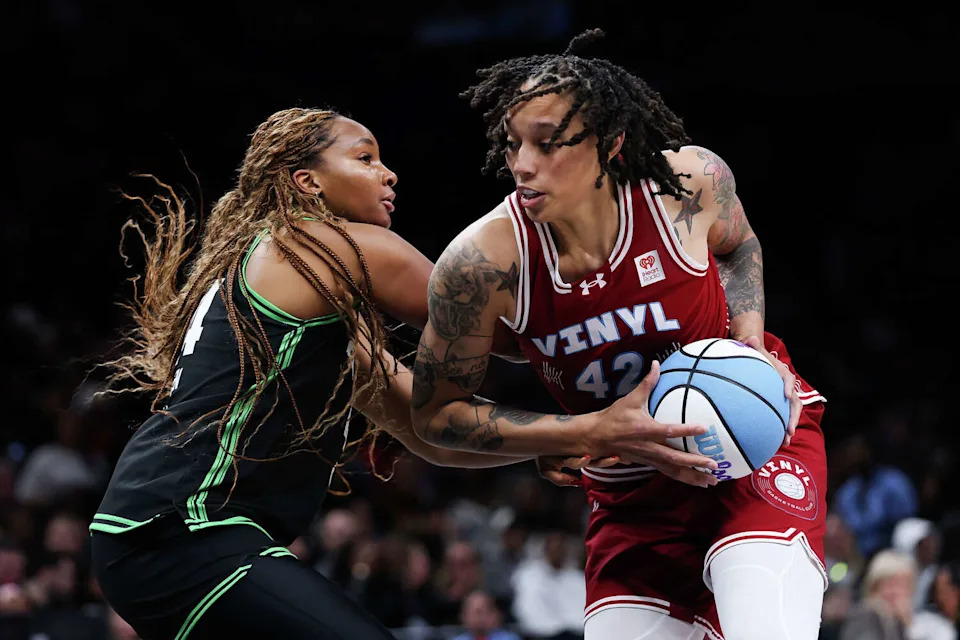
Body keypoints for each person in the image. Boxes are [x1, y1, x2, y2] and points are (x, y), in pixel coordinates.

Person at [88, 107, 567, 640]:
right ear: (306, 181)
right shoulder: (318, 244)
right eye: (365, 158)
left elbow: (434, 434)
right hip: (185, 529)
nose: (389, 173)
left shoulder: (307, 292)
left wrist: (550, 444)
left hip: (153, 535)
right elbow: (507, 333)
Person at [411, 29, 828, 639]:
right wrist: (582, 432)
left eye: (549, 144)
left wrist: (750, 347)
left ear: (612, 143)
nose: (523, 166)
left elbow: (739, 249)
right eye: (512, 144)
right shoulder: (480, 264)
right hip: (629, 488)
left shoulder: (686, 185)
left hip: (754, 441)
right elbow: (435, 413)